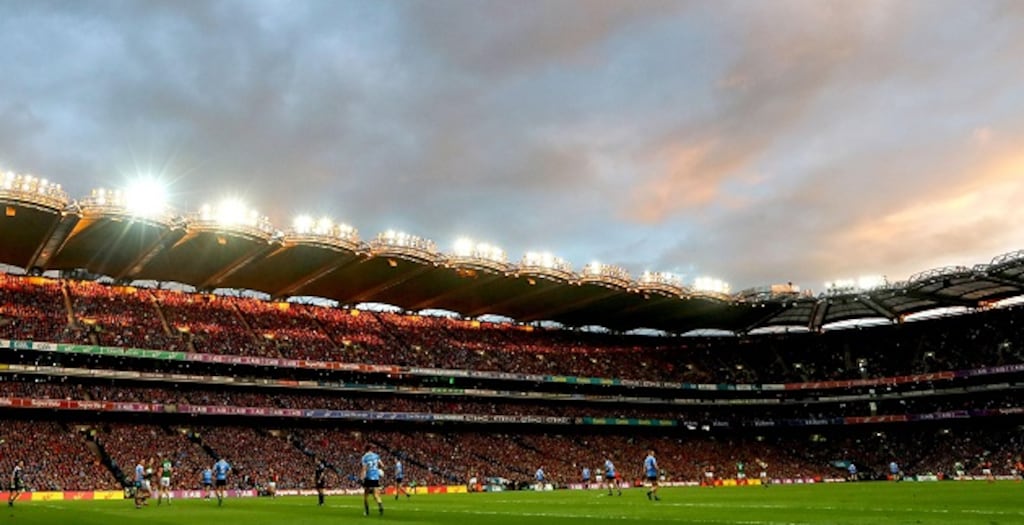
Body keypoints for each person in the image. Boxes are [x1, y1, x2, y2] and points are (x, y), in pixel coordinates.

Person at [361, 445, 384, 516]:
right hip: (376, 478)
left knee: (365, 496)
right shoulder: (376, 456)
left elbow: (364, 468)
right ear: (371, 449)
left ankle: (367, 511)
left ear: (365, 449)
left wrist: (362, 478)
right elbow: (382, 465)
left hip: (368, 478)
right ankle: (380, 506)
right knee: (376, 495)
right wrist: (378, 470)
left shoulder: (364, 457)